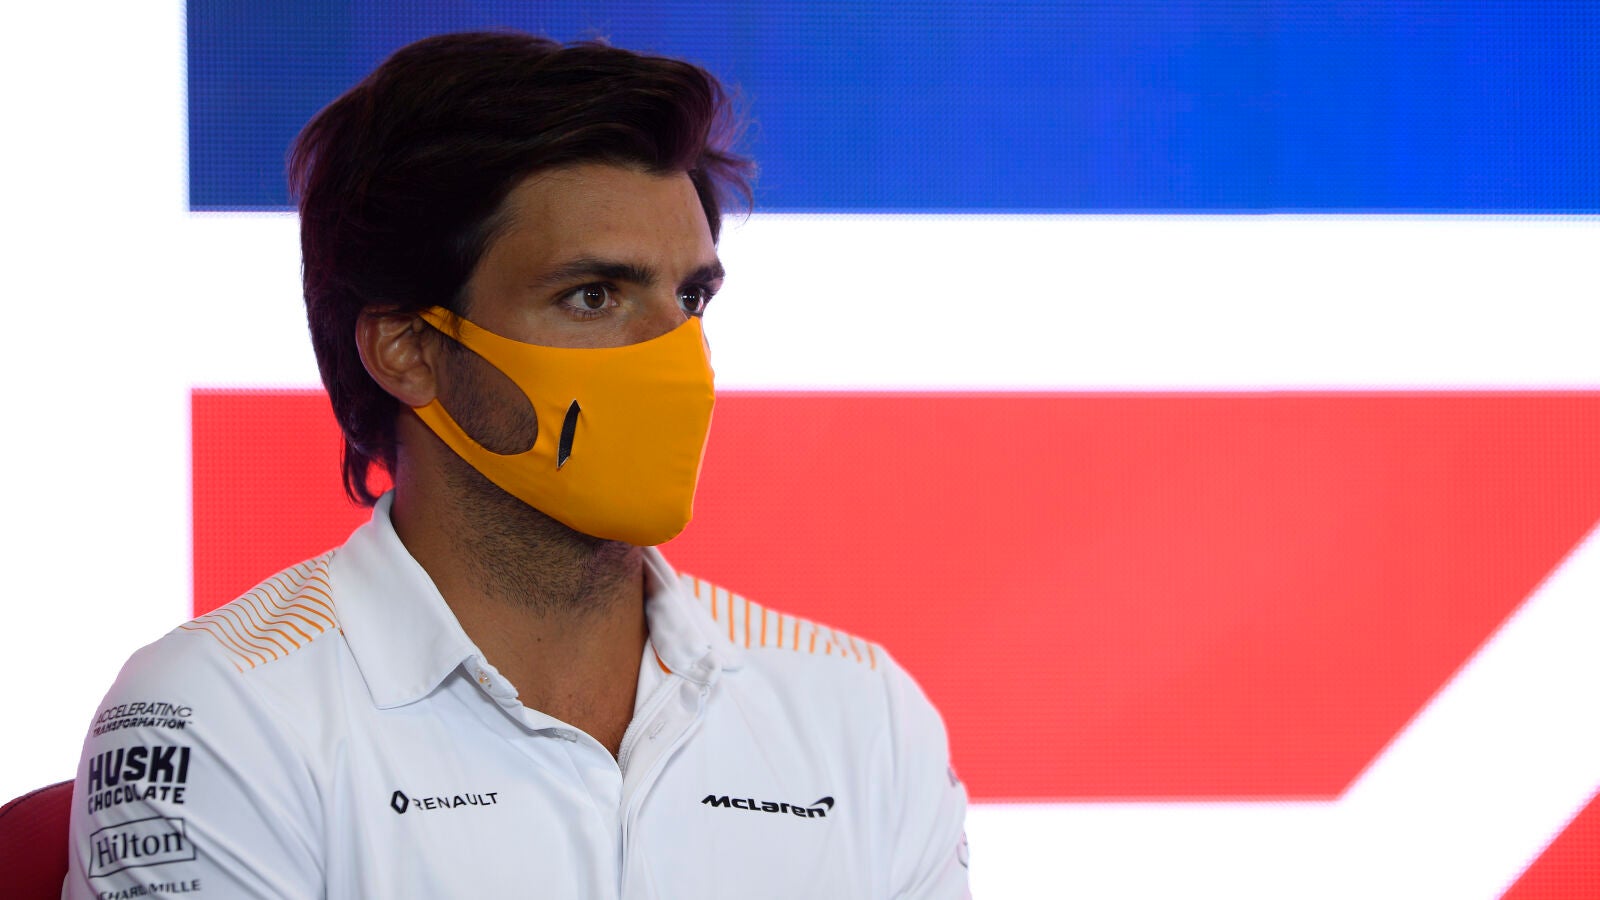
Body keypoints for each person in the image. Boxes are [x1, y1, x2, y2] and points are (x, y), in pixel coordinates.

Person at [64, 30, 969, 899]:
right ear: (407, 349)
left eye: (691, 297)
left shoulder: (862, 716)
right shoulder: (220, 717)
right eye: (594, 296)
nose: (678, 356)